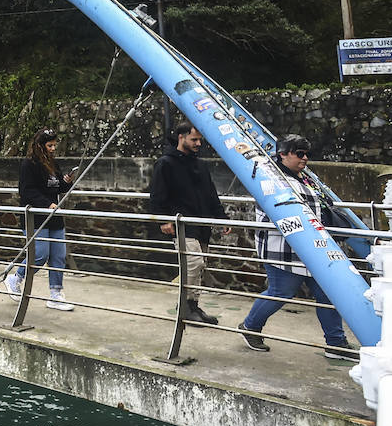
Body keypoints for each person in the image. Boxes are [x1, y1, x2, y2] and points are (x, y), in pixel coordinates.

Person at [239, 135, 356, 359]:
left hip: (314, 247)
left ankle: (336, 343)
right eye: (299, 153)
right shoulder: (269, 177)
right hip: (283, 247)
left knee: (328, 294)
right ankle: (250, 326)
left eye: (306, 153)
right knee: (282, 291)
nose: (305, 158)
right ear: (283, 154)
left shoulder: (305, 178)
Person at [150, 121, 229, 325]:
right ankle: (185, 306)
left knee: (199, 266)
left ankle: (192, 305)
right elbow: (157, 194)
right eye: (194, 139)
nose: (198, 143)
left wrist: (221, 219)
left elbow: (211, 195)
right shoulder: (166, 163)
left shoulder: (200, 165)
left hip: (201, 224)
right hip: (182, 224)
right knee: (194, 263)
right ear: (181, 137)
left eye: (200, 139)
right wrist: (164, 219)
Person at [7, 130, 75, 311]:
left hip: (54, 217)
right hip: (36, 217)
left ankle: (55, 293)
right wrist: (48, 204)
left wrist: (67, 181)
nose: (53, 149)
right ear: (40, 146)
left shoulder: (53, 163)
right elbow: (27, 190)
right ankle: (16, 277)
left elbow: (57, 186)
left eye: (54, 145)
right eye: (49, 145)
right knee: (40, 254)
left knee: (58, 256)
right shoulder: (29, 164)